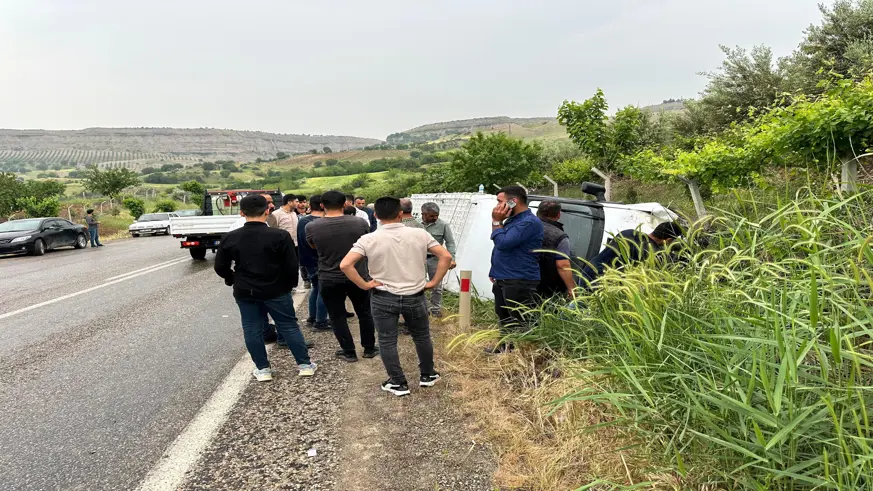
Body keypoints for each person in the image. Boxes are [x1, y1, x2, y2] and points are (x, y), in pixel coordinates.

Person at [340, 197, 453, 396]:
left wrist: (364, 285)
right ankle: (427, 375)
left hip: (383, 296)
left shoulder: (368, 239)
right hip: (415, 295)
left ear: (376, 215)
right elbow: (446, 256)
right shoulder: (420, 234)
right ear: (400, 213)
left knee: (387, 340)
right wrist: (434, 282)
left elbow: (345, 265)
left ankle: (398, 382)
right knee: (422, 336)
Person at [214, 194, 317, 380]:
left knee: (251, 328)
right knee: (288, 326)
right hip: (276, 289)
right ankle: (304, 365)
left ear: (242, 213)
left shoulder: (230, 237)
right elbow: (291, 266)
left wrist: (233, 278)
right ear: (267, 211)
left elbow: (220, 267)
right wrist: (288, 285)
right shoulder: (280, 236)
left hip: (245, 290)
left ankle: (263, 370)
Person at [306, 190, 378, 362]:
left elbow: (314, 246)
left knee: (336, 316)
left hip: (329, 276)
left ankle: (349, 352)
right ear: (345, 204)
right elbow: (366, 245)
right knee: (365, 312)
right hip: (358, 275)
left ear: (322, 205)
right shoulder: (360, 223)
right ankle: (369, 348)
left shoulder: (312, 226)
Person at [487, 185, 544, 354]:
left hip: (519, 279)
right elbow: (502, 249)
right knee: (503, 315)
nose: (497, 206)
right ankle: (505, 347)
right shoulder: (513, 220)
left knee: (520, 319)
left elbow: (503, 243)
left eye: (500, 201)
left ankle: (525, 354)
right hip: (504, 276)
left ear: (513, 201)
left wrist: (496, 222)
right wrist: (494, 270)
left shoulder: (528, 222)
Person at [580, 221, 684, 286]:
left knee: (578, 306)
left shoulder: (628, 233)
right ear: (668, 240)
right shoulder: (650, 250)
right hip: (599, 282)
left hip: (588, 271)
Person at [297, 194, 330, 330]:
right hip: (321, 260)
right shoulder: (322, 223)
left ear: (310, 206)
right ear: (323, 205)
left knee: (315, 287)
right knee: (324, 291)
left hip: (307, 260)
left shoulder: (303, 221)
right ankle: (320, 321)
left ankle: (312, 317)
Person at [420, 202, 457, 317]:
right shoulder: (416, 225)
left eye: (437, 215)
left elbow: (450, 243)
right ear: (423, 214)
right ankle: (423, 308)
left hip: (435, 259)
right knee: (418, 284)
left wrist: (451, 258)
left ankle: (435, 309)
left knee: (436, 286)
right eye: (432, 216)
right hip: (419, 259)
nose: (435, 218)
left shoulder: (443, 225)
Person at [535, 201, 576, 299]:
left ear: (538, 213)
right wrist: (572, 289)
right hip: (548, 289)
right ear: (558, 215)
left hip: (522, 282)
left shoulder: (524, 227)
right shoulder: (560, 237)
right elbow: (563, 265)